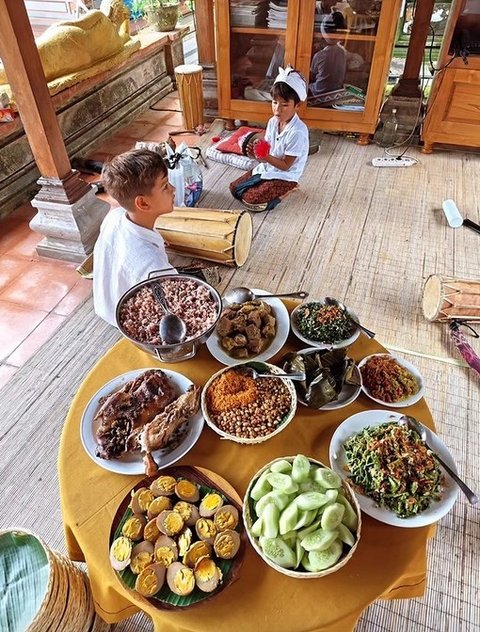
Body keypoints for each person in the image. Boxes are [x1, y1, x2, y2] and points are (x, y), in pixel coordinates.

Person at [93, 149, 176, 326]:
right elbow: (176, 308)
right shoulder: (154, 267)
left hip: (104, 304)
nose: (173, 189)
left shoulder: (114, 216)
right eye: (165, 186)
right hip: (127, 319)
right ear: (143, 203)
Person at [229, 66, 309, 212]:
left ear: (297, 105)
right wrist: (256, 155)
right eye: (274, 102)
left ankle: (288, 189)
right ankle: (264, 184)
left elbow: (286, 166)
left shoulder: (297, 132)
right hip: (269, 167)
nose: (277, 109)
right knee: (235, 189)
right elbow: (266, 149)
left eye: (284, 104)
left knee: (252, 201)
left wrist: (265, 157)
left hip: (286, 175)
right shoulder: (273, 122)